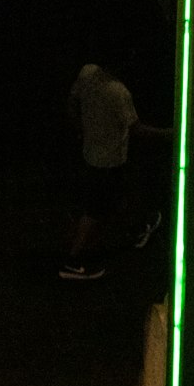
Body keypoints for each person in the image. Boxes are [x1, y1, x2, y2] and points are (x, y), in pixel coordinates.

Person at [61, 49, 169, 280]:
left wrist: (80, 128)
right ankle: (73, 260)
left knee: (110, 198)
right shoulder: (119, 92)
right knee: (94, 211)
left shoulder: (88, 72)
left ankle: (138, 227)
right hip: (110, 160)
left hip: (91, 154)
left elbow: (72, 102)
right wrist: (172, 134)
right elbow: (137, 129)